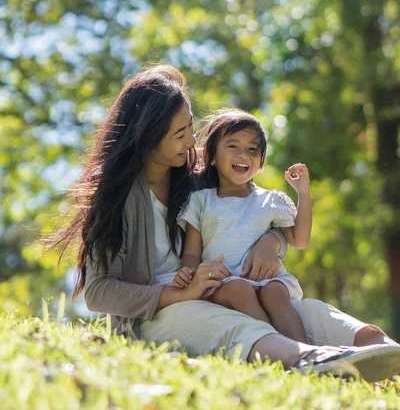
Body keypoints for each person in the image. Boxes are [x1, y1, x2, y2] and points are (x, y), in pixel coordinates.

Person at [47, 65, 400, 382]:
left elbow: (246, 209)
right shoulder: (113, 198)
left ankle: (378, 347)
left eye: (191, 129)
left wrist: (272, 240)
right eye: (181, 133)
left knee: (304, 309)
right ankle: (309, 360)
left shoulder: (195, 181)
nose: (193, 141)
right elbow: (98, 293)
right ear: (149, 135)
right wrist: (180, 293)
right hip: (157, 316)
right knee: (232, 325)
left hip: (221, 292)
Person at [173, 108, 309, 343]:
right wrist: (188, 273)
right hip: (223, 283)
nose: (243, 154)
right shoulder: (201, 201)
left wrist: (304, 194)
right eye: (233, 146)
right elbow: (192, 251)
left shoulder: (271, 200)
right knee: (240, 289)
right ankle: (278, 347)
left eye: (252, 149)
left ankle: (306, 353)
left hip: (266, 280)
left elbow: (300, 240)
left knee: (275, 292)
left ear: (261, 162)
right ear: (212, 156)